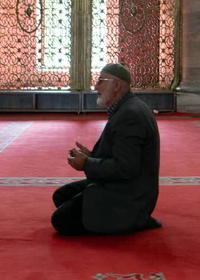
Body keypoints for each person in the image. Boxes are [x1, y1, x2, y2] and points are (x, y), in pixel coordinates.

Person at [51, 63, 162, 235]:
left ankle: (135, 220)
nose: (96, 87)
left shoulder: (129, 114)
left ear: (117, 85)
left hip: (130, 195)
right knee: (61, 196)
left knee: (60, 220)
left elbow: (125, 168)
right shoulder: (126, 107)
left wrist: (87, 164)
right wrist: (92, 156)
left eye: (101, 81)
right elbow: (122, 155)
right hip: (126, 185)